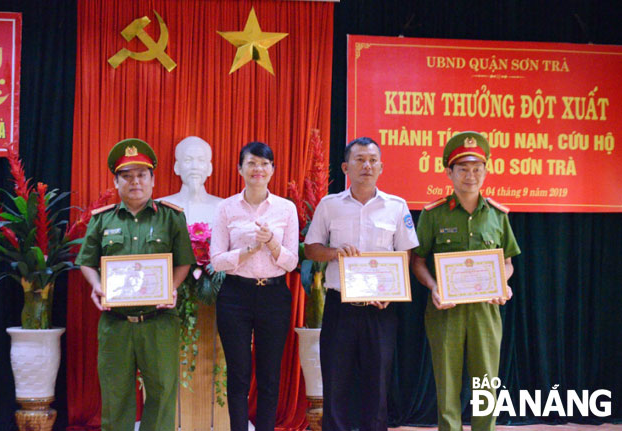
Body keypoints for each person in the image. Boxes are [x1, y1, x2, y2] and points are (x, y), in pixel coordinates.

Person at [76, 138, 195, 431]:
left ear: (153, 179)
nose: (135, 182)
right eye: (126, 176)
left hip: (158, 321)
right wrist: (97, 285)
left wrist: (172, 287)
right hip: (115, 323)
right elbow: (87, 262)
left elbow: (183, 262)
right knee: (116, 395)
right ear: (116, 182)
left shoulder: (172, 217)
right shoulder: (102, 220)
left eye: (141, 175)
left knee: (162, 391)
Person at [304, 136, 419, 431]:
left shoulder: (397, 206)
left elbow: (405, 253)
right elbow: (311, 248)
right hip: (340, 306)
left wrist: (392, 293)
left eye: (372, 160)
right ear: (345, 167)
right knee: (336, 384)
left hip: (380, 310)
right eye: (359, 160)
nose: (366, 165)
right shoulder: (330, 205)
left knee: (376, 387)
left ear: (381, 166)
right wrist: (334, 253)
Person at [411, 131, 521, 431]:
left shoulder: (498, 215)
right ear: (449, 172)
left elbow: (507, 263)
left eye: (477, 168)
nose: (470, 175)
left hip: (485, 311)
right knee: (447, 385)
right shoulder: (433, 215)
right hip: (445, 311)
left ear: (485, 171)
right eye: (463, 169)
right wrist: (434, 287)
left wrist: (503, 283)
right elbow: (417, 260)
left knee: (487, 384)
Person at [210, 141, 299, 431]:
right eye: (251, 163)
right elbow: (216, 260)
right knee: (238, 374)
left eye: (264, 164)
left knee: (269, 375)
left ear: (272, 169)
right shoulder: (226, 208)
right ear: (240, 169)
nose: (258, 169)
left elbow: (291, 262)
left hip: (273, 295)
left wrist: (271, 242)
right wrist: (247, 250)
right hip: (235, 295)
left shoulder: (286, 209)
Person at [159, 136, 223, 225]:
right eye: (188, 160)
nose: (194, 167)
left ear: (210, 168)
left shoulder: (224, 207)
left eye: (201, 160)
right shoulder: (161, 208)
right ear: (177, 167)